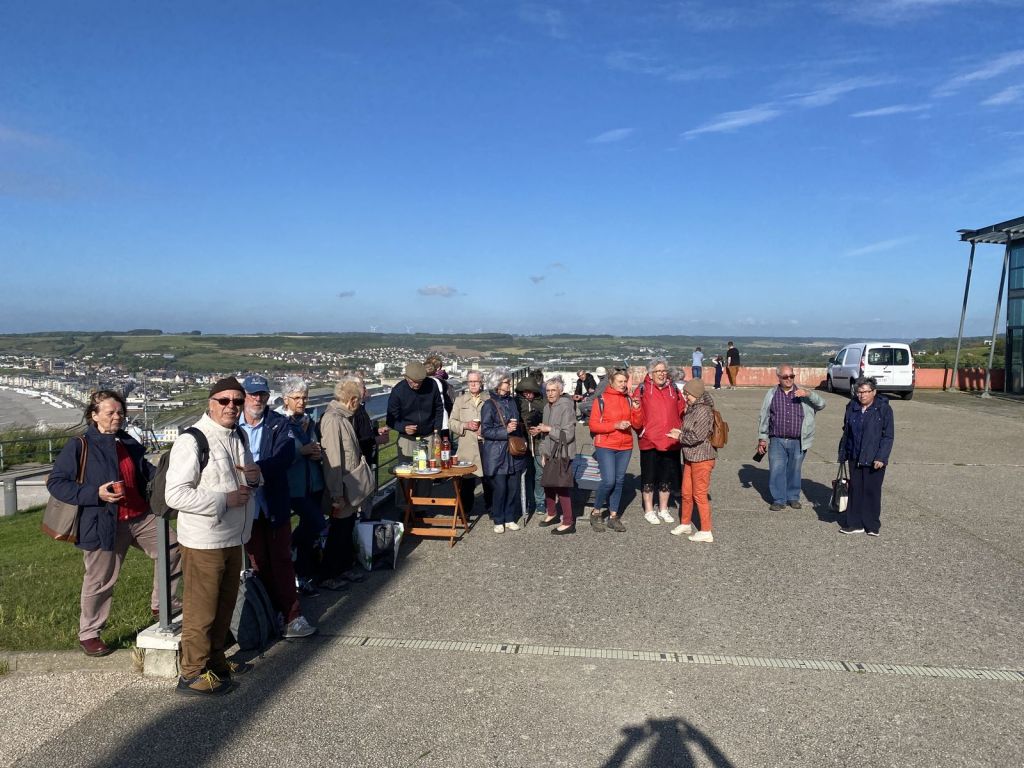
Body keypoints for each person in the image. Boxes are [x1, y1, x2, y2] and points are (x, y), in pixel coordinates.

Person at [47, 390, 182, 658]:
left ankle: (163, 604)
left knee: (173, 546)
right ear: (94, 415)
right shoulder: (80, 445)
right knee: (100, 580)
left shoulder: (125, 441)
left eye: (120, 412)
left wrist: (171, 479)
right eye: (110, 413)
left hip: (140, 515)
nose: (117, 417)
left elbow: (144, 472)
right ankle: (89, 633)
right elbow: (56, 482)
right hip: (102, 522)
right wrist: (95, 494)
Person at [164, 377, 258, 695]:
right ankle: (191, 673)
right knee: (201, 610)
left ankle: (215, 662)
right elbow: (175, 495)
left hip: (234, 536)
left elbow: (244, 479)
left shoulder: (238, 436)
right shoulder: (192, 440)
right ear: (210, 403)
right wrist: (224, 500)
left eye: (237, 401)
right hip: (204, 540)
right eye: (224, 400)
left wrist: (255, 480)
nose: (231, 406)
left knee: (224, 606)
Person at [238, 375, 315, 640]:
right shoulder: (232, 428)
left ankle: (293, 616)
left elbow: (284, 456)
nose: (257, 399)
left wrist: (257, 471)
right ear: (244, 396)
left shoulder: (279, 424)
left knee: (281, 560)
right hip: (244, 507)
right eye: (252, 394)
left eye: (261, 394)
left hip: (273, 503)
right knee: (257, 563)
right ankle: (270, 613)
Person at [318, 376, 370, 587]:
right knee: (337, 532)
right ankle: (329, 575)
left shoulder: (342, 418)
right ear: (352, 400)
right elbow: (333, 461)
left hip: (349, 486)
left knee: (345, 529)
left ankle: (343, 569)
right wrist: (336, 494)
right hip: (341, 488)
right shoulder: (333, 420)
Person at [275, 376, 325, 598]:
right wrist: (301, 452)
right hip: (294, 486)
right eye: (297, 398)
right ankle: (293, 554)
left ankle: (303, 574)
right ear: (286, 399)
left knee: (311, 528)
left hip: (312, 482)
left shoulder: (307, 420)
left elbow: (311, 446)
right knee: (316, 523)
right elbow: (278, 454)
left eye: (304, 397)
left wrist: (316, 451)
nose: (302, 402)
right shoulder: (279, 422)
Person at [757, 365, 826, 511]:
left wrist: (809, 394)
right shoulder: (771, 394)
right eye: (785, 377)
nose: (789, 379)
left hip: (798, 440)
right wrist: (762, 438)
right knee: (777, 469)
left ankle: (793, 497)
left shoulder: (802, 392)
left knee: (794, 470)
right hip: (777, 439)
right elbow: (764, 416)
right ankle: (778, 499)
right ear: (779, 378)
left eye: (791, 376)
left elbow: (821, 404)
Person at [838, 377, 894, 536]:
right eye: (859, 392)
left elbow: (888, 436)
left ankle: (872, 524)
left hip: (874, 457)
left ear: (874, 392)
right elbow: (846, 431)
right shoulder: (851, 406)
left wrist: (881, 457)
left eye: (866, 392)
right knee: (855, 490)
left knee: (872, 491)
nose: (862, 395)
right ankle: (854, 523)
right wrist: (843, 453)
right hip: (854, 454)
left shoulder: (883, 409)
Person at [632, 357, 686, 526]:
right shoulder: (642, 390)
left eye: (664, 371)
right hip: (649, 441)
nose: (662, 374)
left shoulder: (674, 389)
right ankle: (649, 509)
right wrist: (640, 426)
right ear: (651, 373)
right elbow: (636, 418)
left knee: (666, 478)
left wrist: (681, 429)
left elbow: (682, 410)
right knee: (648, 477)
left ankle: (663, 508)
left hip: (670, 441)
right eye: (658, 371)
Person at [588, 369, 641, 533]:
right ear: (611, 382)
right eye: (620, 381)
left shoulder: (628, 399)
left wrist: (637, 409)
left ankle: (613, 516)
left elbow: (637, 425)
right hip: (605, 444)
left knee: (619, 481)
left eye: (625, 381)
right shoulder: (601, 400)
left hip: (625, 445)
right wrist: (615, 425)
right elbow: (594, 425)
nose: (624, 384)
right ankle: (596, 512)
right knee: (609, 480)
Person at [386, 361, 444, 509]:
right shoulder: (398, 391)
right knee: (405, 474)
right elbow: (391, 419)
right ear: (406, 378)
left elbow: (439, 408)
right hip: (407, 438)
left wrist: (437, 431)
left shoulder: (431, 385)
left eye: (419, 382)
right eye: (413, 382)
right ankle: (403, 508)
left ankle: (422, 507)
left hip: (428, 434)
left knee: (425, 473)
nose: (416, 385)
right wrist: (403, 428)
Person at [480, 367, 528, 533]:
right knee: (500, 488)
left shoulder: (513, 401)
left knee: (513, 487)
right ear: (497, 384)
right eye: (506, 382)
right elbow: (485, 430)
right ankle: (498, 519)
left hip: (513, 452)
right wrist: (504, 431)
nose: (509, 385)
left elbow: (518, 423)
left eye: (508, 382)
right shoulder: (488, 405)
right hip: (497, 453)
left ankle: (509, 517)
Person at [668, 379, 717, 543]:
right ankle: (685, 523)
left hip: (702, 457)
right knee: (687, 493)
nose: (685, 396)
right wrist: (679, 431)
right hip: (691, 456)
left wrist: (679, 436)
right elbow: (691, 429)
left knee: (699, 494)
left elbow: (698, 436)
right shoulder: (693, 408)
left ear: (695, 394)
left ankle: (706, 530)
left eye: (687, 394)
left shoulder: (703, 410)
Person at [534, 376, 577, 534]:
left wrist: (548, 429)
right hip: (550, 452)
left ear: (560, 391)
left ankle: (568, 522)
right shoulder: (547, 407)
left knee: (562, 488)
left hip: (563, 453)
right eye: (548, 390)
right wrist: (544, 452)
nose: (550, 393)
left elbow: (568, 434)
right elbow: (545, 435)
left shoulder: (566, 406)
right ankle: (551, 513)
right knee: (548, 484)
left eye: (553, 390)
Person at [449, 370, 492, 515]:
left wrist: (485, 429)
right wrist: (465, 425)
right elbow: (451, 423)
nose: (473, 384)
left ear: (482, 382)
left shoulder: (489, 399)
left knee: (488, 479)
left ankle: (492, 509)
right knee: (467, 481)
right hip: (467, 447)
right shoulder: (460, 400)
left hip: (486, 444)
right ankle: (465, 511)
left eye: (476, 381)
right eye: (470, 382)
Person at [515, 376, 546, 518]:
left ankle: (540, 501)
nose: (527, 394)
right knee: (526, 474)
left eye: (530, 391)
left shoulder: (543, 403)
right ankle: (526, 500)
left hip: (540, 442)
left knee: (540, 473)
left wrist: (540, 428)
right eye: (524, 392)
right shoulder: (517, 403)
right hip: (523, 443)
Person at [424, 354, 454, 435]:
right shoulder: (443, 382)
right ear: (439, 367)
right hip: (443, 418)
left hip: (428, 419)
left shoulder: (424, 382)